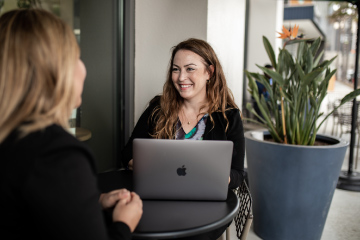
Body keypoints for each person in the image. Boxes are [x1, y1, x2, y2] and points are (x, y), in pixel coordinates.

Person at [0, 9, 142, 240]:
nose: (83, 68)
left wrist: (92, 201)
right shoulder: (57, 154)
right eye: (76, 57)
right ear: (54, 73)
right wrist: (124, 223)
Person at [118, 38, 245, 240]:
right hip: (158, 200)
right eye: (176, 69)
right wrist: (146, 167)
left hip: (206, 205)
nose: (181, 77)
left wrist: (220, 176)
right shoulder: (158, 108)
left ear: (209, 72)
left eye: (190, 69)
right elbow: (127, 154)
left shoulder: (229, 117)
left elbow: (238, 173)